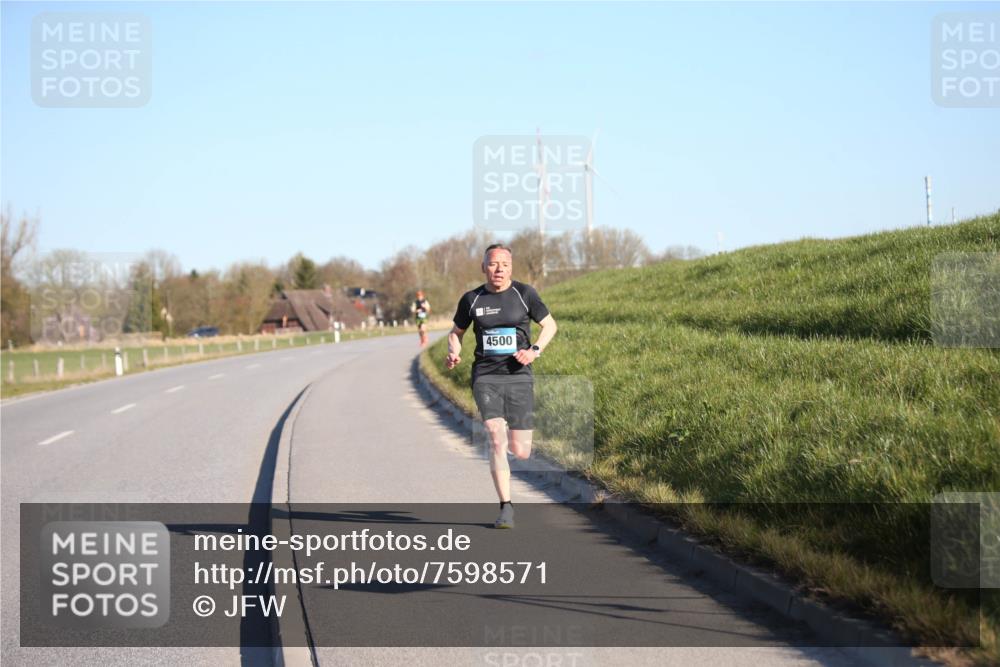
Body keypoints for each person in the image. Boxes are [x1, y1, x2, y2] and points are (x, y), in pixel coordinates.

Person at [445, 244, 557, 529]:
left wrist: (533, 351)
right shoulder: (471, 299)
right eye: (493, 264)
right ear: (483, 267)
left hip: (518, 374)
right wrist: (453, 351)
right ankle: (506, 507)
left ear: (511, 267)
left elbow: (550, 326)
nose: (499, 269)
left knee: (521, 451)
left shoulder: (525, 293)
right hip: (486, 376)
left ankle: (509, 442)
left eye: (504, 264)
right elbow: (455, 333)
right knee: (496, 437)